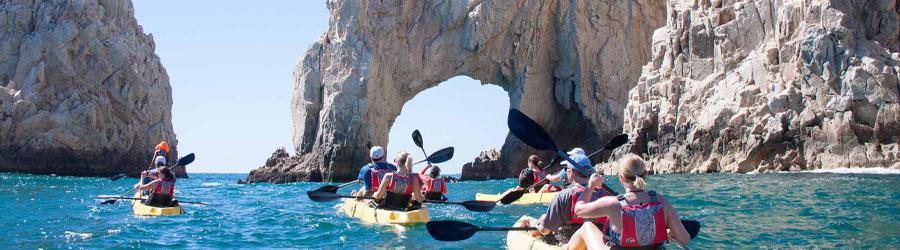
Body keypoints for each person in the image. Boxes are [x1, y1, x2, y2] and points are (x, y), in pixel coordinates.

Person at [568, 154, 690, 250]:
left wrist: (591, 186)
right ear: (645, 174)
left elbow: (578, 211)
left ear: (621, 178)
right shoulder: (660, 200)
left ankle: (564, 247)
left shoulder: (613, 204)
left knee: (587, 227)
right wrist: (665, 232)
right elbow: (684, 239)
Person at [521, 153, 611, 246]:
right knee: (545, 218)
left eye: (566, 169)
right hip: (597, 243)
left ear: (571, 172)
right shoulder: (606, 194)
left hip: (570, 244)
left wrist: (537, 225)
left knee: (544, 225)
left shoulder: (563, 196)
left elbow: (545, 230)